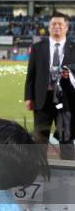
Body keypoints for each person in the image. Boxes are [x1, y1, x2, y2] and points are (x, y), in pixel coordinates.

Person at [24, 11, 75, 159]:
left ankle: (70, 172)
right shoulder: (38, 48)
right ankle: (38, 170)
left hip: (66, 100)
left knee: (66, 138)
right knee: (40, 138)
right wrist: (28, 97)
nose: (57, 26)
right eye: (53, 24)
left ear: (66, 27)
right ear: (49, 27)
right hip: (42, 98)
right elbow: (31, 75)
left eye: (60, 24)